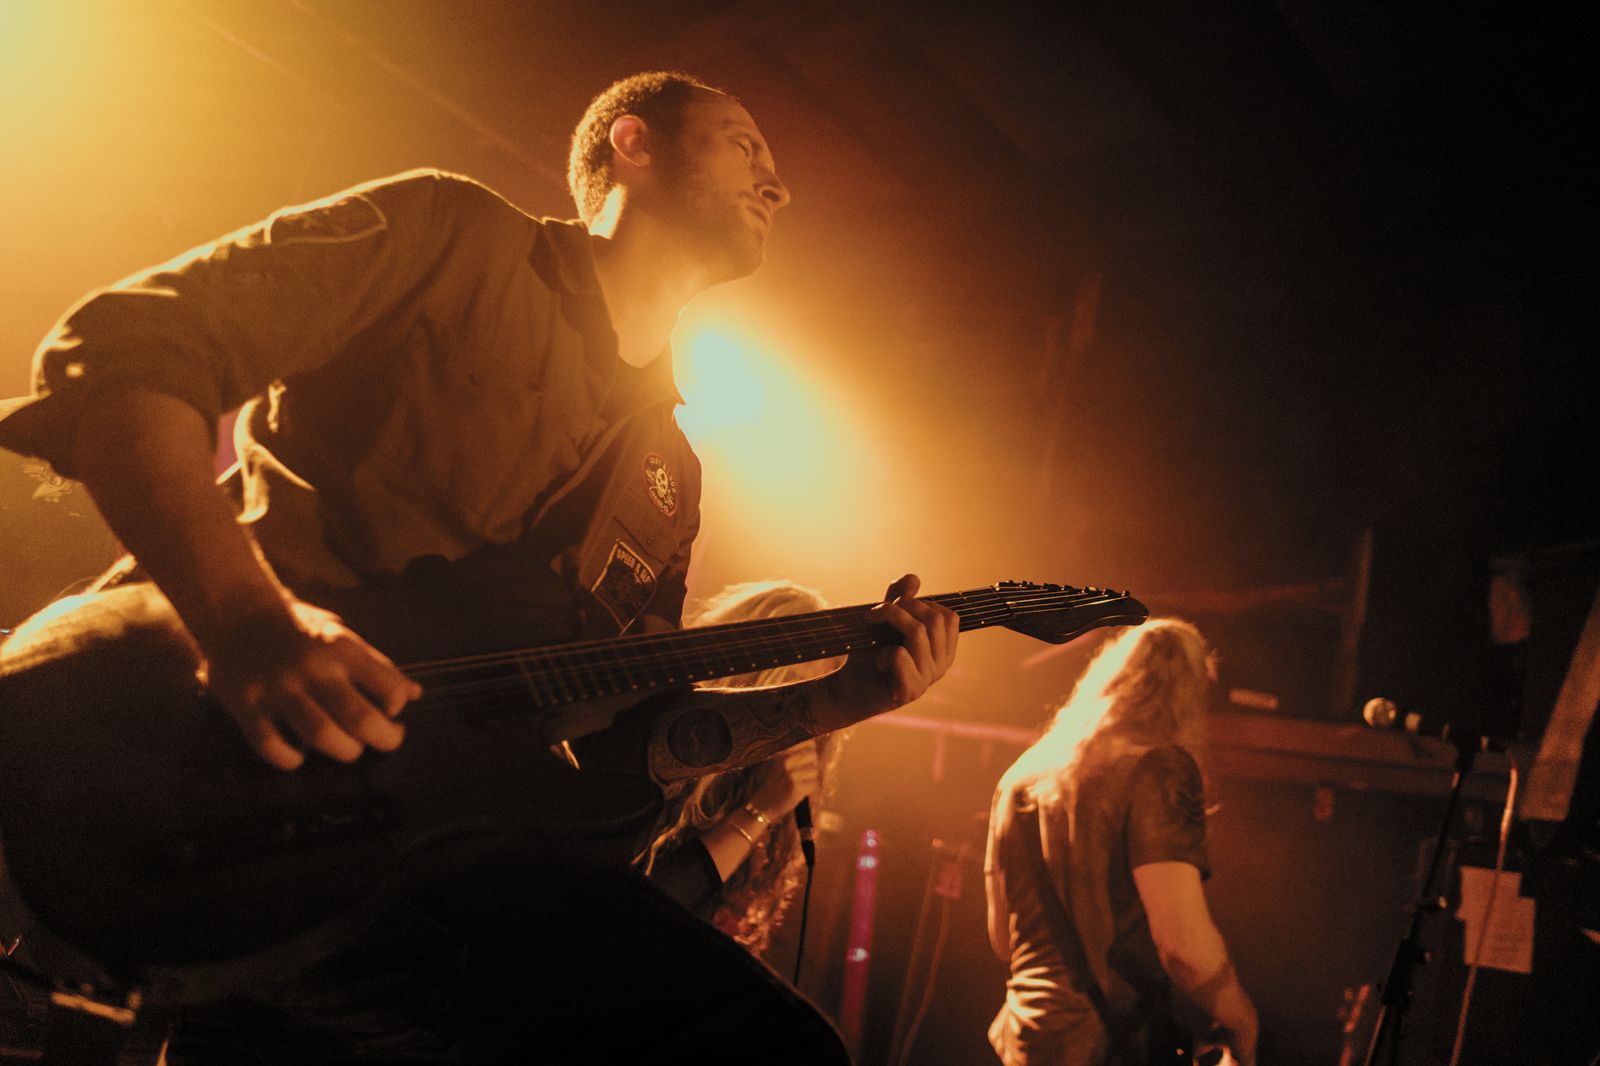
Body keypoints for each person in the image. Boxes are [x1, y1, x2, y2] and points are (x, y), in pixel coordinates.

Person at [0, 71, 958, 1062]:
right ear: (633, 144)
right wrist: (251, 621)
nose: (777, 185)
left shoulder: (670, 474)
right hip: (190, 774)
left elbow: (627, 746)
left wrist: (834, 701)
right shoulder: (456, 236)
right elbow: (119, 356)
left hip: (413, 868)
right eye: (744, 145)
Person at [984, 619, 1257, 1066]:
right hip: (1105, 1045)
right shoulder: (1159, 768)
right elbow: (1182, 945)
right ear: (1188, 694)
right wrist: (1243, 1020)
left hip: (1026, 1041)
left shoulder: (1021, 774)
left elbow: (1003, 938)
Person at [643, 580, 847, 956]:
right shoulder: (677, 740)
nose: (798, 721)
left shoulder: (775, 778)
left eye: (813, 707)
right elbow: (647, 894)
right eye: (792, 690)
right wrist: (760, 811)